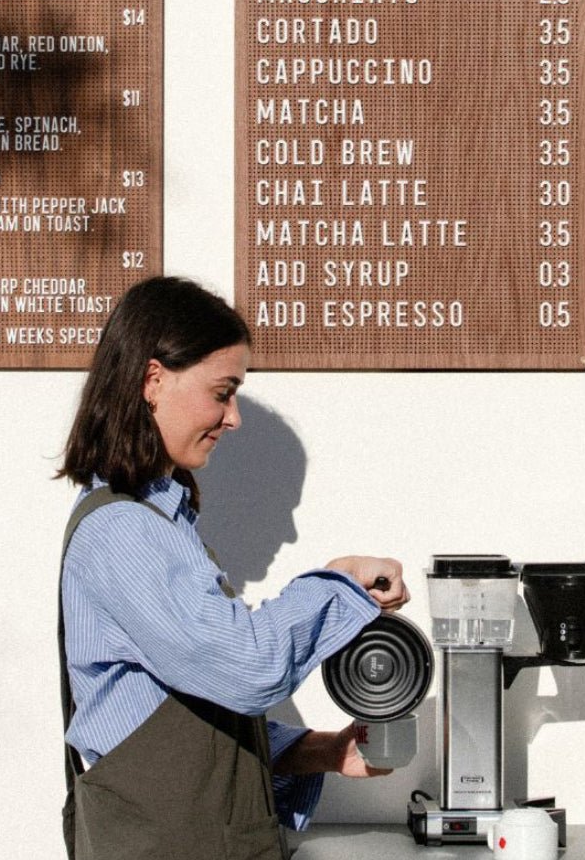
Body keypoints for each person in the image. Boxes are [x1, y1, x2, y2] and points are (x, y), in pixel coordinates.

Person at [57, 276, 409, 860]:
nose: (234, 417)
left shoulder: (160, 526)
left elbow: (179, 727)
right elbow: (249, 668)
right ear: (153, 381)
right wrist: (339, 582)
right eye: (223, 392)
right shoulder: (123, 533)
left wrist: (318, 752)